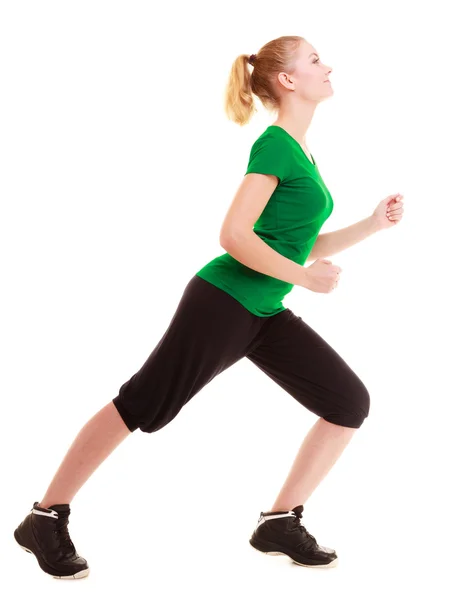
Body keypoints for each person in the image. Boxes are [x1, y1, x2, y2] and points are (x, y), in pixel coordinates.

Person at [13, 35, 404, 579]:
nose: (328, 65)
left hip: (264, 310)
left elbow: (295, 244)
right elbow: (234, 236)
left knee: (347, 402)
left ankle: (278, 523)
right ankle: (43, 517)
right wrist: (306, 282)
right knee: (143, 404)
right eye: (315, 59)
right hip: (223, 301)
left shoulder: (301, 150)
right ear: (287, 80)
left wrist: (371, 225)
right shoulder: (274, 145)